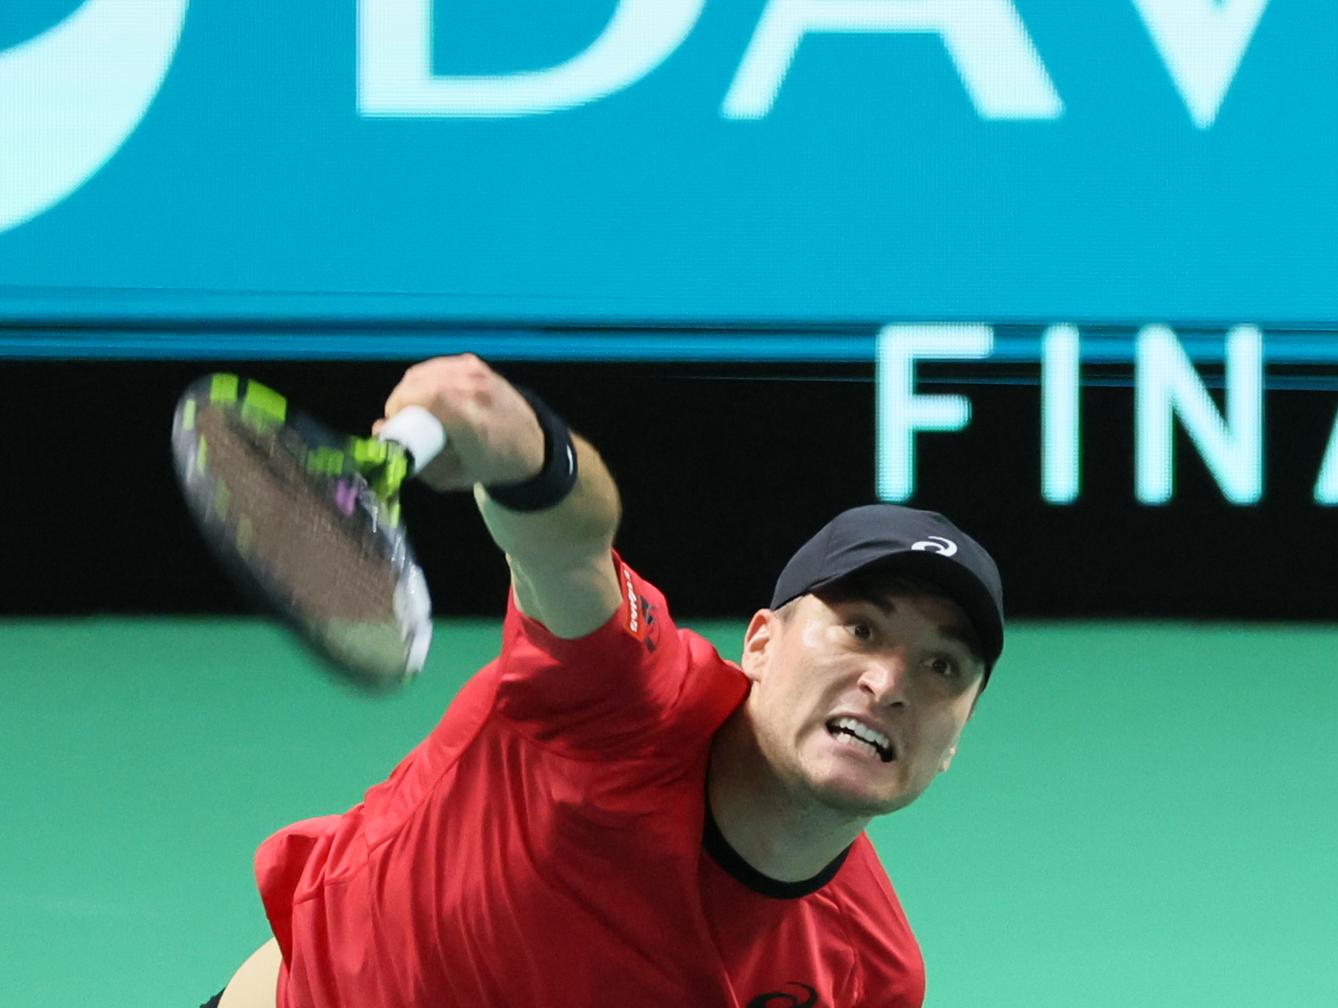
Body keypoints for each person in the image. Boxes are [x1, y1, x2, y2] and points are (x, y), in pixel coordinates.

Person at [205, 354, 1005, 1008]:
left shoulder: (870, 976)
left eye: (943, 667)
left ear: (953, 744)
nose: (889, 680)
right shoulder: (621, 697)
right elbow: (569, 545)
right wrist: (527, 454)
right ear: (760, 643)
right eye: (860, 629)